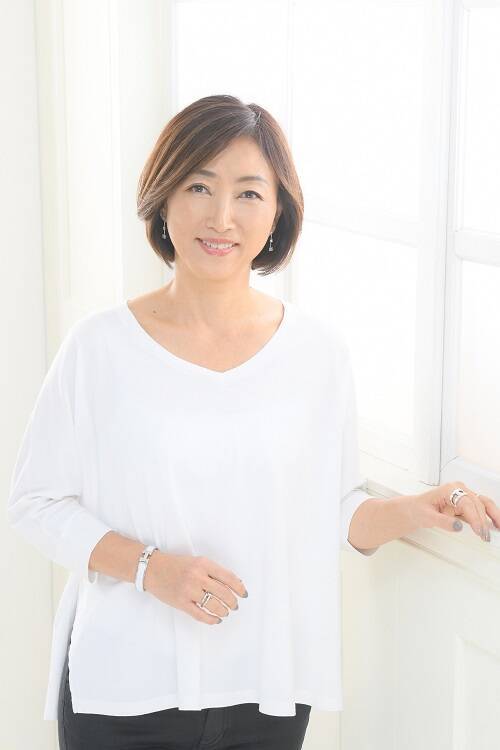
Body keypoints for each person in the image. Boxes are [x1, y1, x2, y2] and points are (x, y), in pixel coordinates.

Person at [7, 94, 499, 750]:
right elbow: (36, 501)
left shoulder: (317, 355)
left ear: (277, 214)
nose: (221, 217)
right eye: (199, 186)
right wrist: (152, 568)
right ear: (163, 196)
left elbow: (332, 508)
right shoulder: (99, 348)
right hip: (127, 685)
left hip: (266, 689)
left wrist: (418, 509)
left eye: (247, 193)